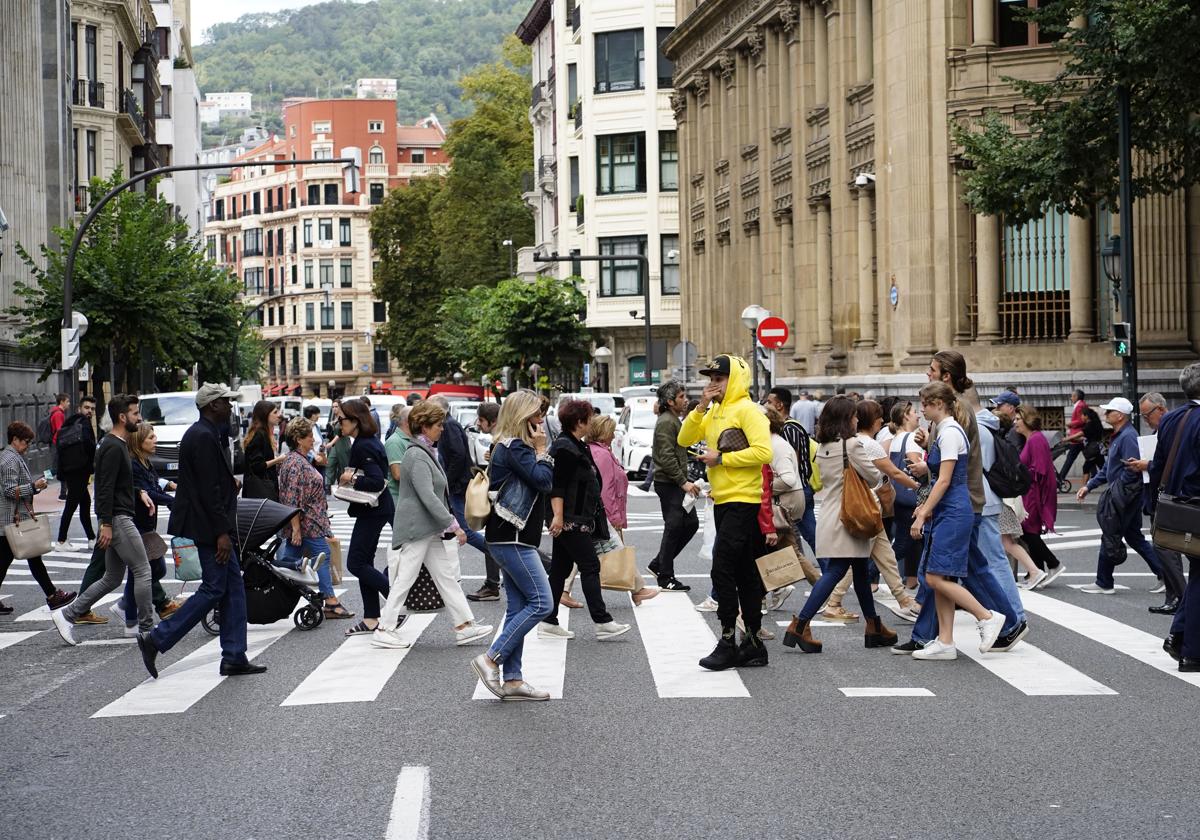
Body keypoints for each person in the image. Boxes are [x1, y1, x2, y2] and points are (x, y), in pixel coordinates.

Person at [895, 351, 1025, 654]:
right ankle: (942, 637)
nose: (927, 374)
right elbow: (947, 461)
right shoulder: (952, 416)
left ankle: (992, 622)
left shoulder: (956, 416)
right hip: (959, 501)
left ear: (945, 378)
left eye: (932, 370)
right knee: (956, 569)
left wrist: (924, 507)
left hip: (961, 501)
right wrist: (930, 451)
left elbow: (950, 470)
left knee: (943, 572)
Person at [135, 383, 264, 678]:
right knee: (214, 589)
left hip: (211, 524)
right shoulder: (203, 436)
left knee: (233, 590)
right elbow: (207, 490)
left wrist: (228, 484)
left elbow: (209, 483)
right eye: (225, 403)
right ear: (212, 406)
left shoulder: (204, 434)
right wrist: (221, 533)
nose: (230, 407)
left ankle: (234, 656)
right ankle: (156, 639)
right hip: (210, 528)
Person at [782, 396, 898, 653]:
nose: (857, 419)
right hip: (851, 516)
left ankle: (874, 625)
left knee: (859, 571)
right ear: (847, 419)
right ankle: (800, 624)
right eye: (854, 415)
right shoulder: (852, 445)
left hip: (832, 514)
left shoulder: (823, 446)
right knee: (835, 571)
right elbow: (873, 477)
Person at [679, 355, 773, 671]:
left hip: (744, 500)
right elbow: (684, 439)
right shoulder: (715, 410)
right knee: (745, 573)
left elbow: (764, 452)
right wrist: (699, 408)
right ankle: (754, 645)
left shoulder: (748, 410)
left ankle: (728, 640)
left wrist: (723, 459)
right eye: (710, 378)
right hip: (722, 500)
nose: (713, 383)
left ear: (734, 379)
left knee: (722, 568)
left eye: (719, 378)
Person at [373, 400, 492, 648]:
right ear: (424, 427)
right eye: (438, 424)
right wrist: (454, 525)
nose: (442, 428)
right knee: (405, 577)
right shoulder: (416, 454)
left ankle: (464, 626)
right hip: (419, 527)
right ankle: (384, 627)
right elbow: (427, 495)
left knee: (445, 577)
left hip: (427, 528)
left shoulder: (423, 451)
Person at [904, 382, 1007, 660]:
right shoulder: (948, 431)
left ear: (938, 403)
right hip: (950, 509)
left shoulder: (949, 432)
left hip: (954, 509)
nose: (921, 410)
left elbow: (945, 480)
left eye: (925, 404)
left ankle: (986, 617)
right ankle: (946, 641)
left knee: (935, 576)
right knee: (940, 575)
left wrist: (924, 511)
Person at [470, 390, 556, 702]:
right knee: (542, 603)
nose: (541, 420)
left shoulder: (506, 445)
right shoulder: (517, 447)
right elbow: (543, 481)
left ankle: (514, 679)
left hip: (508, 536)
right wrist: (543, 450)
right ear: (522, 416)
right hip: (513, 537)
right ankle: (491, 658)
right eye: (535, 414)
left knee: (519, 607)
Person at [50, 395, 155, 646]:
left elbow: (116, 484)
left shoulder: (118, 444)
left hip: (117, 516)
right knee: (143, 570)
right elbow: (104, 487)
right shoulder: (112, 446)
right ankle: (148, 630)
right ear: (122, 417)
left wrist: (139, 492)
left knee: (112, 578)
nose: (138, 418)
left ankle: (68, 614)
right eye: (134, 413)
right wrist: (105, 523)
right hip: (118, 519)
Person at [820, 399, 921, 623]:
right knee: (854, 561)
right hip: (866, 507)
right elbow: (886, 474)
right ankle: (833, 602)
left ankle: (903, 600)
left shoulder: (841, 442)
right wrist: (919, 487)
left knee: (885, 556)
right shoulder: (865, 444)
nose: (882, 420)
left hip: (860, 507)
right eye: (879, 416)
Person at [539, 399, 630, 641]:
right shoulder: (565, 449)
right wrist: (557, 517)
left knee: (560, 568)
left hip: (577, 516)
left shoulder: (575, 445)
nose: (591, 423)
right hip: (570, 519)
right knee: (590, 566)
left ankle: (548, 621)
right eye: (589, 419)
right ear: (579, 422)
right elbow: (556, 486)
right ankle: (602, 621)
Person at [1077, 396, 1164, 595]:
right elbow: (1109, 466)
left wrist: (1117, 488)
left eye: (1109, 411)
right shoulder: (1119, 435)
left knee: (1110, 533)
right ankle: (1164, 574)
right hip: (1125, 494)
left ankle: (1104, 581)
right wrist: (1089, 485)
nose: (1105, 414)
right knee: (1133, 536)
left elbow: (1131, 468)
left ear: (1120, 415)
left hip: (1125, 495)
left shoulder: (1127, 437)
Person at [426, 395, 499, 607]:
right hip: (458, 484)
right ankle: (492, 576)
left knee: (465, 530)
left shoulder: (448, 426)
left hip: (457, 486)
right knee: (461, 529)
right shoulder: (449, 425)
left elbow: (457, 456)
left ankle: (494, 556)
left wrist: (445, 483)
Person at [1150, 363, 1200, 671]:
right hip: (1197, 504)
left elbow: (1158, 465)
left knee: (1197, 575)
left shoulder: (1171, 419)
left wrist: (1155, 505)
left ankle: (1180, 636)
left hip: (1179, 508)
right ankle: (1191, 650)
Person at [277, 417, 352, 619]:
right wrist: (296, 529)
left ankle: (277, 592)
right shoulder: (294, 463)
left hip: (311, 520)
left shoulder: (300, 459)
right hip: (306, 522)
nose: (313, 439)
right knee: (322, 556)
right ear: (299, 439)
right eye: (309, 436)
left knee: (289, 561)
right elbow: (292, 499)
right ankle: (331, 601)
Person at [0, 422, 75, 615]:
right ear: (14, 440)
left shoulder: (13, 456)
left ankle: (52, 595)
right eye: (25, 442)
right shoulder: (10, 460)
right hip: (11, 520)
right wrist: (34, 487)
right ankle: (52, 595)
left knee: (18, 559)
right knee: (23, 559)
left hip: (13, 520)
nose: (27, 446)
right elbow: (9, 491)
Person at [337, 398, 396, 636]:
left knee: (355, 563)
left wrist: (349, 479)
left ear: (355, 420)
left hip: (373, 510)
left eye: (341, 419)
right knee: (364, 563)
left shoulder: (363, 446)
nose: (338, 423)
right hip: (375, 509)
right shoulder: (365, 442)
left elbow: (375, 480)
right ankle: (371, 617)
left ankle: (394, 602)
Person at [588, 413, 659, 607]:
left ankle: (564, 590)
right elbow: (604, 488)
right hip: (604, 512)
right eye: (611, 432)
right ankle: (638, 589)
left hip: (603, 511)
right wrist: (613, 516)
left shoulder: (600, 451)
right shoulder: (601, 454)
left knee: (581, 554)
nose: (614, 436)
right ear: (603, 433)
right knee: (615, 549)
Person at [117, 422, 182, 631]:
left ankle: (126, 606)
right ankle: (131, 619)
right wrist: (170, 501)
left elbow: (154, 483)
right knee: (144, 570)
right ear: (139, 441)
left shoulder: (146, 462)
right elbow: (146, 491)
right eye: (151, 438)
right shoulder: (134, 464)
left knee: (150, 569)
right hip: (136, 524)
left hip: (147, 524)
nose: (156, 441)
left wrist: (170, 488)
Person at [1126, 392, 1186, 613]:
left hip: (1170, 496)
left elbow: (1168, 463)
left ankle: (1180, 598)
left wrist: (1147, 465)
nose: (1145, 419)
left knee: (1166, 548)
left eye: (1147, 414)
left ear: (1160, 409)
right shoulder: (1162, 430)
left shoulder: (1174, 428)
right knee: (1167, 548)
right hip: (1160, 495)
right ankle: (1176, 598)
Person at [648, 380, 699, 592]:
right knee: (674, 527)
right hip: (668, 483)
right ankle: (665, 576)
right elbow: (666, 457)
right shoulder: (667, 422)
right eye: (680, 397)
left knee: (690, 523)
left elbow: (677, 451)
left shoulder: (672, 420)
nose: (684, 400)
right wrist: (683, 482)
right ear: (670, 401)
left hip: (673, 482)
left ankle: (659, 564)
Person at [764, 387, 816, 557]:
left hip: (795, 490)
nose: (765, 405)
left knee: (808, 536)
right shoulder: (785, 427)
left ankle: (829, 572)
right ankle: (804, 569)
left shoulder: (789, 429)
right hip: (795, 488)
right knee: (794, 537)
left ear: (779, 405)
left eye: (769, 402)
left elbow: (794, 461)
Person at [1015, 406, 1062, 589]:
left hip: (1033, 493)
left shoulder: (1036, 439)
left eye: (1018, 418)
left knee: (1028, 531)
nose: (1015, 422)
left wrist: (1020, 473)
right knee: (1029, 531)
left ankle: (1053, 564)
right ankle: (1036, 571)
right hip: (1029, 491)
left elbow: (1040, 470)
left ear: (1027, 419)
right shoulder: (1031, 439)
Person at [467, 401, 506, 602]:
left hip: (502, 499)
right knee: (495, 541)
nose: (479, 424)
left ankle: (551, 566)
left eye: (481, 420)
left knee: (504, 543)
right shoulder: (498, 440)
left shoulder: (504, 440)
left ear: (492, 421)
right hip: (499, 498)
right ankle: (492, 584)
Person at [888, 401, 927, 589]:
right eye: (914, 412)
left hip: (898, 493)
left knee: (913, 539)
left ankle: (912, 578)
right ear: (905, 416)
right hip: (911, 494)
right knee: (904, 542)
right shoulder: (912, 438)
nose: (918, 414)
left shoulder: (897, 437)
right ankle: (872, 570)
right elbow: (914, 465)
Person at [52, 395, 98, 552]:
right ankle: (61, 540)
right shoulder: (83, 423)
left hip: (71, 470)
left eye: (92, 409)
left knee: (85, 503)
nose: (89, 411)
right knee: (71, 505)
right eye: (87, 408)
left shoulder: (70, 422)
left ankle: (92, 538)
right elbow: (88, 444)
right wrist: (96, 452)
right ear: (79, 408)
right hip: (79, 470)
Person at [242, 401, 284, 500]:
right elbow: (257, 465)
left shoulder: (264, 433)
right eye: (275, 412)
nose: (279, 415)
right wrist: (278, 460)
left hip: (263, 489)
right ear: (265, 415)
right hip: (260, 491)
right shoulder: (260, 435)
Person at [1057, 388, 1088, 483]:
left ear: (1076, 396)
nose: (1071, 398)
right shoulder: (1080, 405)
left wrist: (1071, 424)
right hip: (1079, 437)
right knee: (1090, 458)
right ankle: (1061, 478)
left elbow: (1082, 420)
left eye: (1072, 396)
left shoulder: (1080, 406)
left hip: (1078, 437)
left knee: (1070, 458)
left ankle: (1060, 478)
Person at [384, 404, 412, 507]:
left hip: (407, 499)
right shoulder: (394, 442)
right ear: (408, 422)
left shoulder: (412, 439)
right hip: (398, 501)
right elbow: (398, 474)